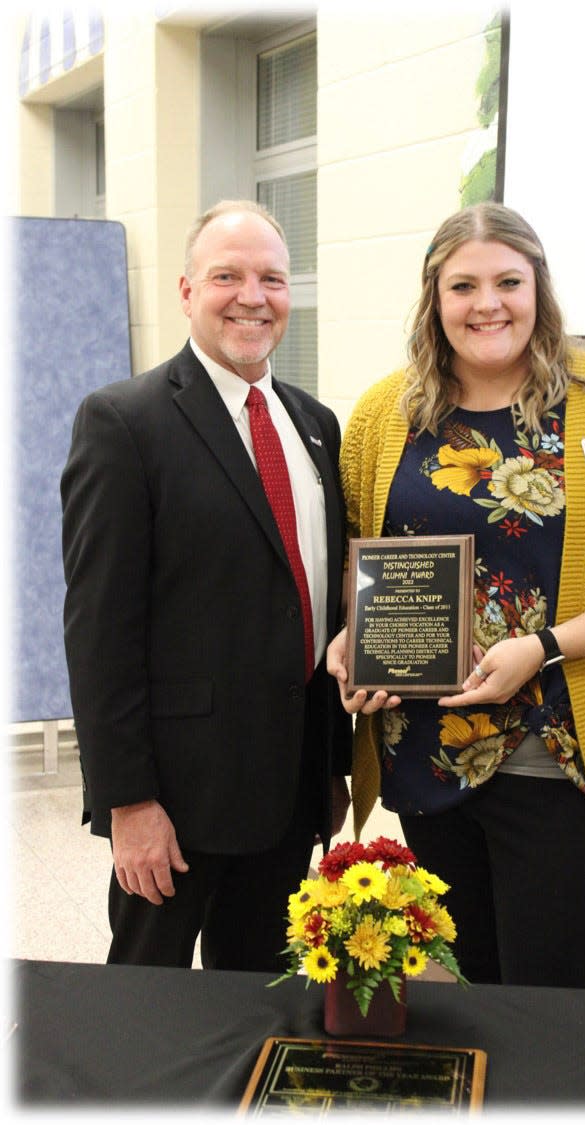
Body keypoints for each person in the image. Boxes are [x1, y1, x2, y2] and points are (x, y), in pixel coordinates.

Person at [327, 201, 585, 988]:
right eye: (462, 285)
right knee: (467, 988)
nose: (487, 303)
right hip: (424, 757)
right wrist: (348, 637)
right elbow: (355, 553)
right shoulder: (381, 415)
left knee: (546, 1003)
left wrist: (541, 648)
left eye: (509, 280)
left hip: (558, 759)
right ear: (434, 298)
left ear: (539, 287)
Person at [61, 199, 351, 971]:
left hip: (289, 795)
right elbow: (99, 633)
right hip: (176, 803)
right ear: (188, 291)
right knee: (147, 1012)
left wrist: (332, 765)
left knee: (260, 1003)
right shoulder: (124, 423)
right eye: (227, 275)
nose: (252, 296)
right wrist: (129, 803)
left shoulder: (316, 425)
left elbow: (317, 606)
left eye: (272, 278)